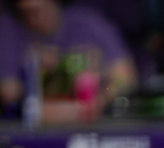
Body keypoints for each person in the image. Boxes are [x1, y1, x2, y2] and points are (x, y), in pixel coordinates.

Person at [0, 0, 136, 121]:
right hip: (36, 128)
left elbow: (126, 76)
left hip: (96, 122)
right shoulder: (9, 29)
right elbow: (8, 93)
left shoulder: (87, 23)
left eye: (42, 8)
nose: (36, 18)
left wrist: (101, 98)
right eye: (27, 12)